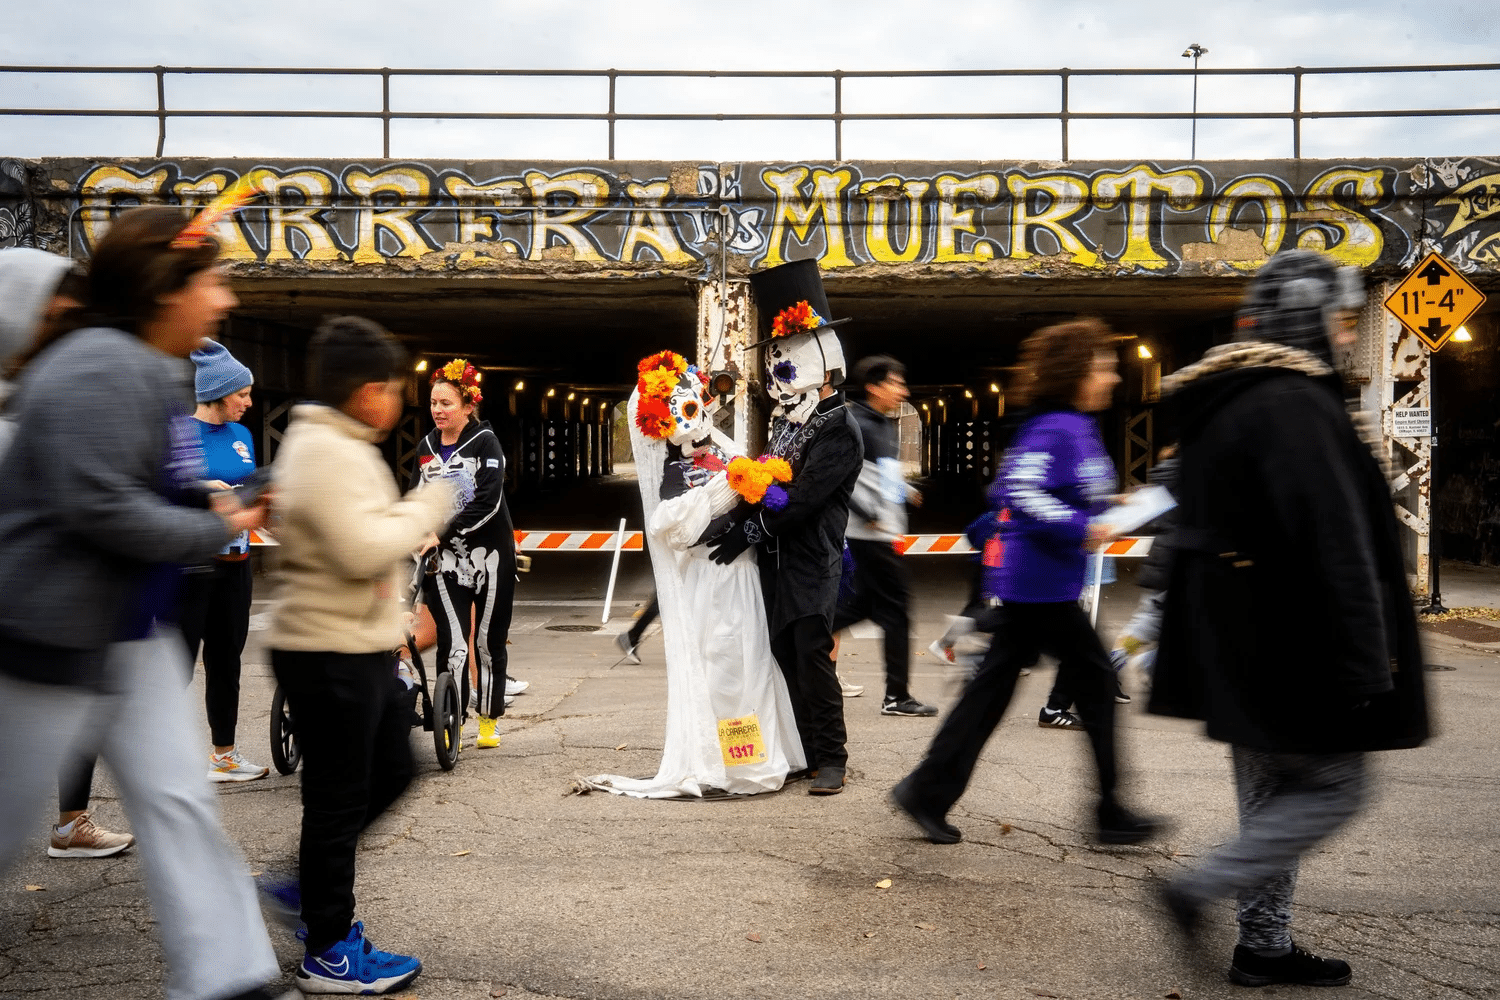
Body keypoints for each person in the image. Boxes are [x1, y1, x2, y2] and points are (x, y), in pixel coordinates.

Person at [0, 209, 282, 1000]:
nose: (223, 299)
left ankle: (230, 978)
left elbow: (141, 482)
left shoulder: (153, 369)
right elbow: (103, 511)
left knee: (182, 804)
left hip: (129, 633)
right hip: (49, 638)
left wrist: (215, 499)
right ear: (167, 290)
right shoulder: (101, 365)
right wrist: (214, 523)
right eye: (212, 280)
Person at [1151, 250, 1429, 988]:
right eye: (1339, 320)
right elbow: (1338, 543)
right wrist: (1368, 664)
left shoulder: (1232, 401)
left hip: (1243, 650)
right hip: (1301, 649)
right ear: (1310, 319)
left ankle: (1264, 946)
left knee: (1271, 801)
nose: (1345, 335)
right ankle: (1198, 887)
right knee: (1337, 787)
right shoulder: (1298, 406)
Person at [891, 318, 1159, 846]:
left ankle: (926, 790)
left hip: (1047, 584)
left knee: (991, 694)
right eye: (1103, 366)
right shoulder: (1055, 426)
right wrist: (1087, 525)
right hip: (1037, 586)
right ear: (1077, 373)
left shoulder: (1077, 426)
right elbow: (1022, 493)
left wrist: (1114, 504)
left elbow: (1067, 491)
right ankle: (1109, 812)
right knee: (1095, 687)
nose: (1111, 377)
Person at [267, 316, 454, 995]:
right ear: (368, 390)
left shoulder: (343, 443)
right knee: (338, 801)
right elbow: (361, 547)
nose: (401, 402)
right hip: (326, 651)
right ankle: (329, 949)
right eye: (396, 388)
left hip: (360, 644)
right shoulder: (324, 451)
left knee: (394, 771)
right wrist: (428, 503)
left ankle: (307, 887)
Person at [583, 350, 804, 797]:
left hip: (743, 579)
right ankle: (729, 764)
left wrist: (751, 485)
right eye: (685, 409)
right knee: (724, 671)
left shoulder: (720, 452)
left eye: (697, 403)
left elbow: (748, 482)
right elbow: (679, 529)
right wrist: (730, 489)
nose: (699, 415)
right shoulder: (674, 471)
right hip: (713, 582)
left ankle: (759, 756)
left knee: (753, 667)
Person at [0, 247, 137, 860]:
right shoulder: (38, 402)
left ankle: (71, 820)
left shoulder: (47, 391)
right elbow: (97, 507)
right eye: (60, 311)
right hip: (32, 631)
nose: (74, 321)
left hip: (61, 632)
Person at [710, 259, 864, 796]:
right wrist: (734, 508)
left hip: (812, 557)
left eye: (788, 357)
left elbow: (800, 501)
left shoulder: (841, 429)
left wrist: (749, 530)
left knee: (810, 653)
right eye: (775, 358)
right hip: (776, 559)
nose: (777, 370)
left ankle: (833, 758)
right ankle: (804, 751)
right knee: (782, 652)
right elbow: (762, 484)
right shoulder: (786, 421)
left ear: (824, 361)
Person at [411, 358, 522, 751]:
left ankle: (489, 719)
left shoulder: (485, 443)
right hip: (445, 562)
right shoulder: (425, 448)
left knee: (488, 642)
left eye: (446, 403)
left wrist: (439, 531)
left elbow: (489, 502)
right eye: (433, 403)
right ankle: (450, 720)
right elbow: (416, 498)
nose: (438, 410)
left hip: (490, 557)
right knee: (453, 641)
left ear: (468, 405)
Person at [179, 339, 269, 781]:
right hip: (194, 568)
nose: (249, 403)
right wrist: (206, 489)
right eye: (243, 394)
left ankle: (224, 754)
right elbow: (167, 493)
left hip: (237, 565)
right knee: (177, 666)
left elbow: (249, 489)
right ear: (217, 393)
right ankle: (164, 760)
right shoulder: (179, 433)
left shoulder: (242, 436)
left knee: (226, 660)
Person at [832, 355, 936, 717]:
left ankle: (793, 643)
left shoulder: (882, 424)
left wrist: (904, 493)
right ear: (874, 387)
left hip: (882, 532)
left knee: (863, 606)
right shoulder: (855, 423)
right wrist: (869, 514)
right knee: (897, 611)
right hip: (870, 534)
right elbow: (841, 478)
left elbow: (882, 476)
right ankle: (897, 697)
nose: (903, 391)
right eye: (896, 383)